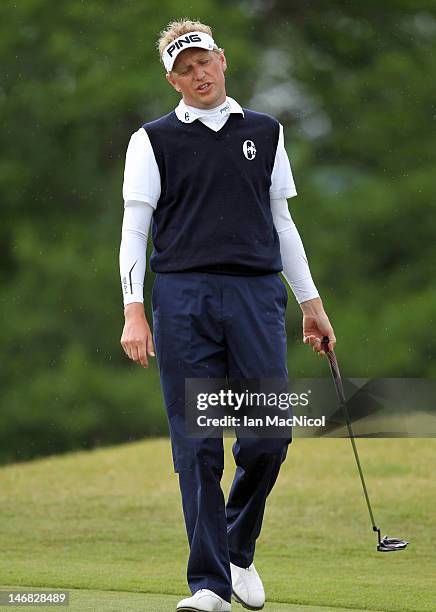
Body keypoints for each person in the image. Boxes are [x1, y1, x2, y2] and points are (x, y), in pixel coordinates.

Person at [119, 19, 336, 612]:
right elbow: (135, 230)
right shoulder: (153, 139)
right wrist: (133, 311)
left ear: (223, 60)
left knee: (268, 437)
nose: (199, 75)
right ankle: (209, 585)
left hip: (255, 297)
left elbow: (282, 223)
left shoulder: (266, 133)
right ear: (173, 79)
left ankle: (237, 549)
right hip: (183, 298)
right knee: (197, 445)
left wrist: (310, 305)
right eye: (185, 69)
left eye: (205, 62)